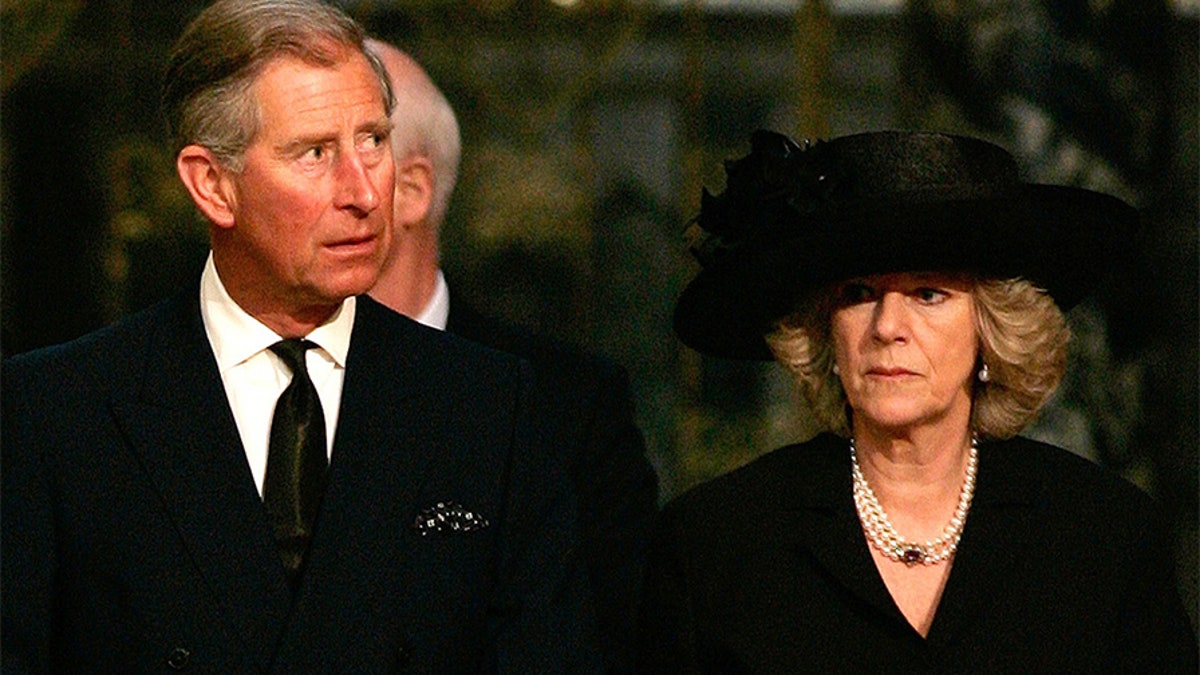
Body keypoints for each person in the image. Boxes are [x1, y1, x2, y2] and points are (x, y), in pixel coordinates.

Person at [1, 1, 600, 671]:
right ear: (212, 185)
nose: (365, 191)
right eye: (315, 152)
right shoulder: (56, 411)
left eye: (373, 140)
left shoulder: (490, 406)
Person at [637, 130, 1198, 671]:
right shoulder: (717, 543)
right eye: (858, 295)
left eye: (928, 293)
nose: (886, 327)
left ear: (992, 328)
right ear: (825, 332)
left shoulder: (1104, 537)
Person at [365, 39, 659, 673]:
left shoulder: (570, 407)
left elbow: (614, 643)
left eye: (334, 150)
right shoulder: (234, 382)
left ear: (412, 188)